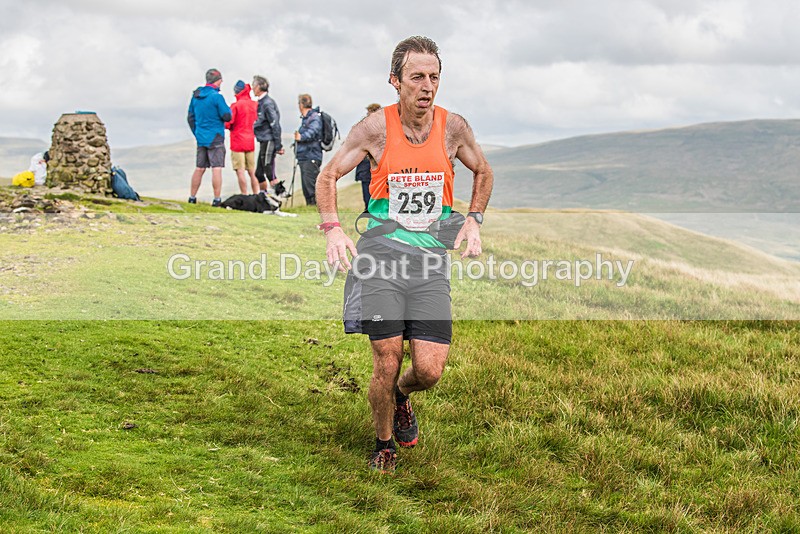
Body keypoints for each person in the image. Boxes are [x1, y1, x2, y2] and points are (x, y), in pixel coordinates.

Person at [316, 36, 493, 473]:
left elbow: (484, 171)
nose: (427, 85)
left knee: (430, 370)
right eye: (417, 77)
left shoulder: (453, 127)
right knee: (387, 356)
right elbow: (328, 175)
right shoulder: (376, 128)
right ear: (395, 81)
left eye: (434, 77)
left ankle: (401, 397)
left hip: (431, 261)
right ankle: (382, 443)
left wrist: (473, 219)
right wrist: (333, 230)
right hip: (382, 255)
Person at [187, 68, 231, 206]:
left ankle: (192, 197)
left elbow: (190, 117)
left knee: (199, 168)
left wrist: (197, 132)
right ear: (217, 81)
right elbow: (227, 116)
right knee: (216, 168)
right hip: (216, 136)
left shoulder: (196, 96)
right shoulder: (217, 97)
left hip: (201, 137)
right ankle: (217, 199)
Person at [252, 75, 284, 195]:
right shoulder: (261, 102)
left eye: (254, 85)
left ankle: (279, 197)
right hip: (263, 140)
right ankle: (263, 197)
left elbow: (275, 123)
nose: (252, 88)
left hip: (269, 140)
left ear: (259, 86)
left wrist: (278, 145)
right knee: (259, 173)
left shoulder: (267, 103)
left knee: (269, 170)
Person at [226, 80, 259, 194]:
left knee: (240, 171)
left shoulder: (235, 106)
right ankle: (256, 193)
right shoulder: (255, 105)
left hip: (237, 142)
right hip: (250, 141)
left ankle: (244, 194)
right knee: (252, 171)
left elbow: (228, 123)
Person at [293, 94, 323, 206]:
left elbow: (313, 131)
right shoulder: (308, 118)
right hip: (305, 156)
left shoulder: (314, 117)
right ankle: (310, 207)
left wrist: (301, 137)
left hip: (311, 156)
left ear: (301, 105)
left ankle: (314, 208)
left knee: (311, 186)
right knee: (307, 185)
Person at [354, 103, 382, 211]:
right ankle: (370, 209)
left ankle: (370, 209)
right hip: (367, 167)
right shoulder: (385, 127)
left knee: (370, 190)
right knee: (368, 189)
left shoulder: (365, 128)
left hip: (370, 166)